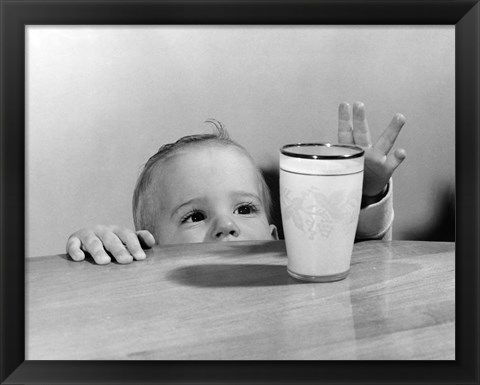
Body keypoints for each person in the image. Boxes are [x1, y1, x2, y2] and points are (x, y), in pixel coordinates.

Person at [66, 102, 406, 264]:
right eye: (195, 216)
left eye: (245, 208)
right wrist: (100, 248)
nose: (226, 225)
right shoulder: (145, 281)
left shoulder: (290, 273)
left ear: (275, 240)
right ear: (150, 247)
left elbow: (365, 264)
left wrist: (363, 194)